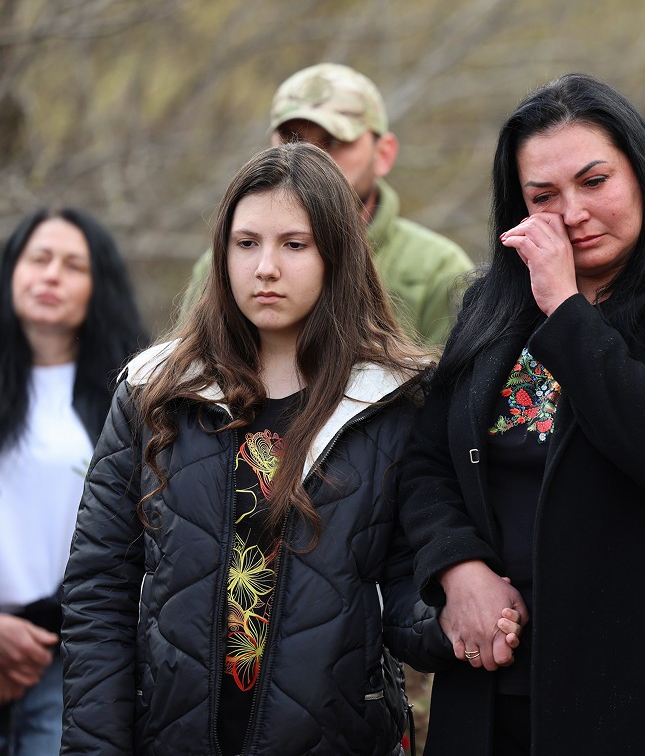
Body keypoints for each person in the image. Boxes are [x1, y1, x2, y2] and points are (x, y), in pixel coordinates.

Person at [59, 143, 520, 755]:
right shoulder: (155, 391)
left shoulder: (393, 401)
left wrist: (462, 621)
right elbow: (98, 591)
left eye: (294, 245)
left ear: (337, 254)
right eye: (246, 243)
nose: (266, 268)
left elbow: (401, 589)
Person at [395, 73, 645, 755]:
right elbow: (427, 460)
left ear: (642, 173)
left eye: (595, 182)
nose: (572, 213)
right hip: (493, 676)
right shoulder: (491, 303)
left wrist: (565, 308)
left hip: (641, 689)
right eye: (544, 196)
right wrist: (458, 566)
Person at [182, 63, 474, 348]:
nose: (312, 157)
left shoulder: (437, 271)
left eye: (333, 142)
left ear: (383, 153)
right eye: (293, 139)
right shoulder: (221, 263)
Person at [0, 208, 147, 755]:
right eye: (39, 258)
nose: (51, 275)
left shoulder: (135, 395)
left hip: (73, 656)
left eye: (72, 265)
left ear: (98, 285)